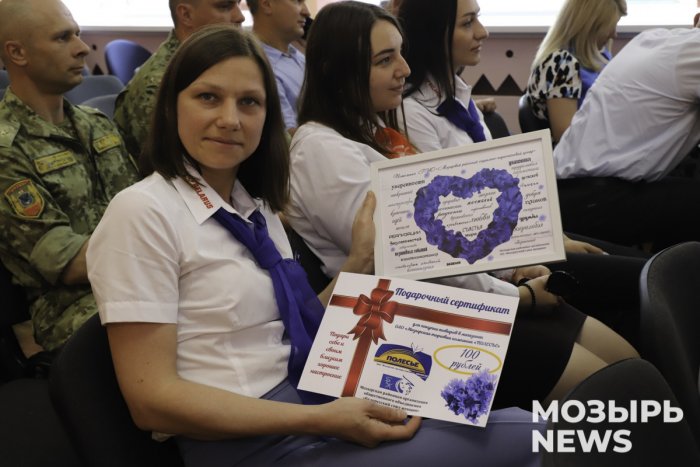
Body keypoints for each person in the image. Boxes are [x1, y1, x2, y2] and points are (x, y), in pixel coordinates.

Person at [88, 23, 549, 467]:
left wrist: (360, 260)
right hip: (256, 445)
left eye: (249, 102)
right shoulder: (142, 212)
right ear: (172, 106)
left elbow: (289, 320)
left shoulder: (252, 206)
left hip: (315, 404)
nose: (230, 120)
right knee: (538, 436)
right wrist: (322, 420)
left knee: (517, 421)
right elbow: (152, 402)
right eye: (208, 97)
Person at [287, 0, 637, 415]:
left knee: (629, 366)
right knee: (616, 395)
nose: (404, 69)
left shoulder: (374, 130)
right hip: (411, 325)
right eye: (385, 60)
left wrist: (509, 272)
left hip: (459, 296)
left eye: (400, 53)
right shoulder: (322, 150)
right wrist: (516, 296)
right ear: (336, 71)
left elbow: (451, 231)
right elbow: (416, 260)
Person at [396, 0, 647, 342]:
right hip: (500, 257)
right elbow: (455, 221)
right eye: (468, 23)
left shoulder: (456, 96)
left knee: (643, 265)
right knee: (644, 277)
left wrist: (556, 236)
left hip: (518, 238)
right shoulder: (414, 112)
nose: (483, 32)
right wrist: (539, 248)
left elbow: (498, 191)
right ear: (435, 33)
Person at [0, 0, 139, 352]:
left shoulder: (96, 124)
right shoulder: (6, 148)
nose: (82, 48)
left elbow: (146, 207)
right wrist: (161, 252)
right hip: (73, 308)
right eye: (62, 38)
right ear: (17, 53)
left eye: (77, 34)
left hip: (138, 278)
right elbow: (67, 262)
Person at [553, 25, 700, 249]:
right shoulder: (694, 50)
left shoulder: (650, 38)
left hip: (566, 192)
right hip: (594, 200)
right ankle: (663, 269)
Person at [113, 0, 245, 159]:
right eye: (224, 7)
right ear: (186, 15)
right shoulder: (159, 86)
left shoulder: (212, 63)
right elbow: (172, 166)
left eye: (238, 4)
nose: (240, 16)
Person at [525, 0, 627, 143]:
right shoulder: (561, 63)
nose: (614, 34)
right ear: (589, 27)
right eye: (609, 27)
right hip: (578, 152)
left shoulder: (600, 56)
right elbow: (566, 137)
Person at [247, 0, 311, 132]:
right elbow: (288, 135)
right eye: (297, 1)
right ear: (267, 5)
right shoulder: (256, 66)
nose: (306, 12)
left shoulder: (298, 56)